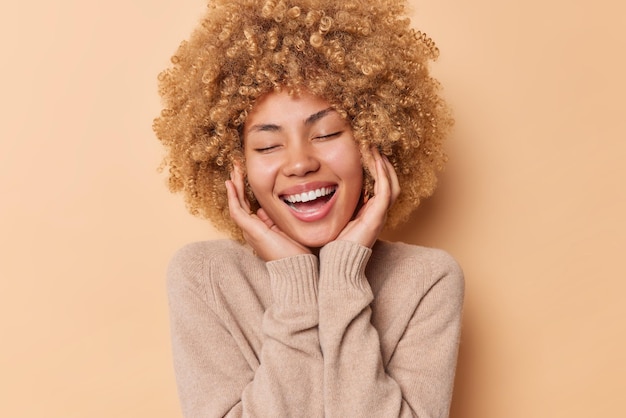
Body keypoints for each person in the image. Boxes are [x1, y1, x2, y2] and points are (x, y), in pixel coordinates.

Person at [153, 0, 464, 416]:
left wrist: (343, 271)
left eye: (327, 133)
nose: (300, 163)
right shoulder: (204, 277)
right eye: (267, 145)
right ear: (237, 166)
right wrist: (295, 288)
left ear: (374, 141)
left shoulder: (427, 281)